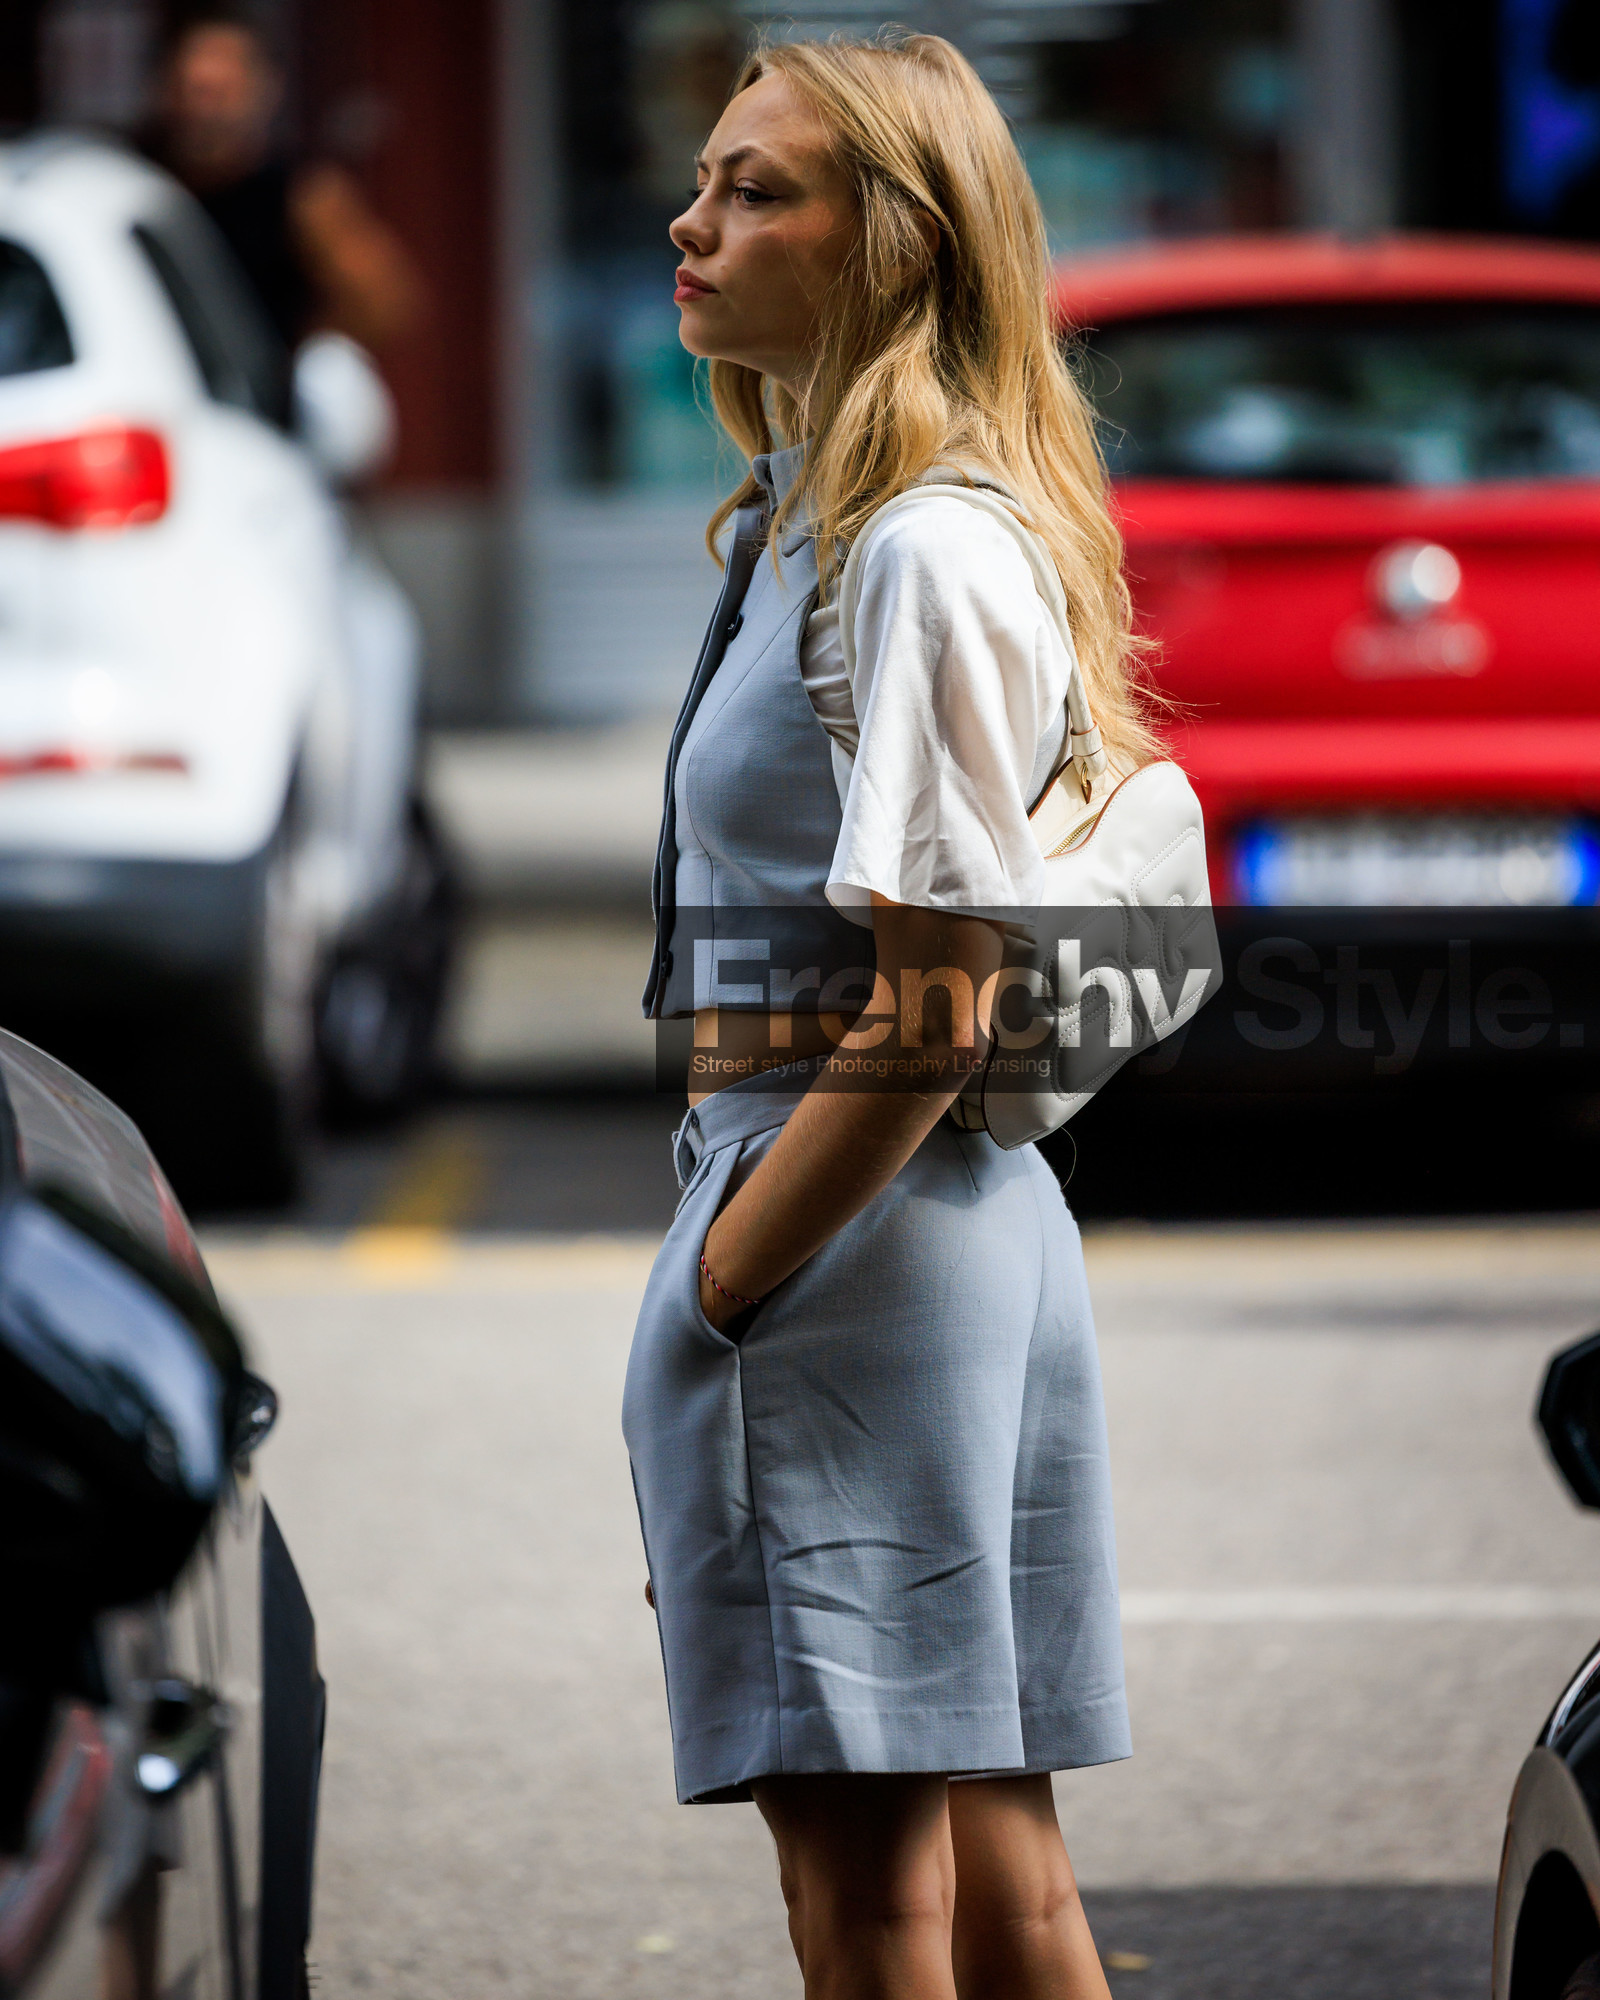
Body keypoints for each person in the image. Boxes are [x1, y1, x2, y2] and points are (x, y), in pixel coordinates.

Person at [625, 33, 1158, 2000]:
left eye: (756, 190)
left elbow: (934, 1002)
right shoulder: (827, 519)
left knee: (865, 1912)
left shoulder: (914, 544)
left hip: (844, 1222)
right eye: (705, 178)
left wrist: (727, 1279)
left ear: (894, 242)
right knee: (1005, 1888)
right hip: (934, 1230)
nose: (690, 223)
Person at [144, 11, 421, 354]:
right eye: (193, 90)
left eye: (221, 93)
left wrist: (296, 355)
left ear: (266, 89)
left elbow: (383, 302)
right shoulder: (137, 186)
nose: (204, 113)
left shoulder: (304, 195)